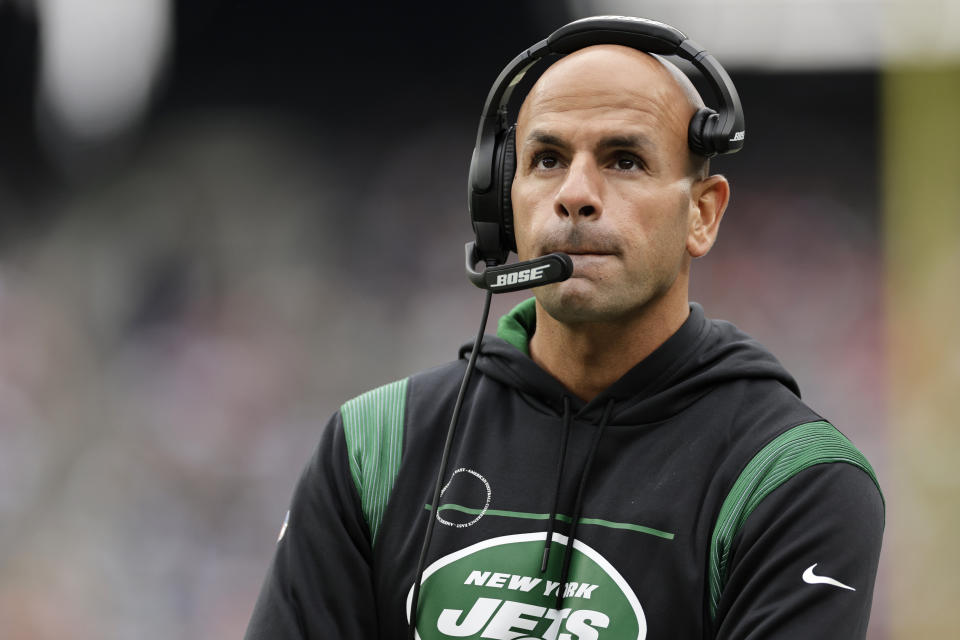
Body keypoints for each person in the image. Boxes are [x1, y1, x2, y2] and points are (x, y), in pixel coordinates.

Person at [245, 17, 884, 640]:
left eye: (625, 160)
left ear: (703, 214)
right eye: (547, 158)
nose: (575, 193)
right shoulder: (372, 446)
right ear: (502, 203)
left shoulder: (793, 480)